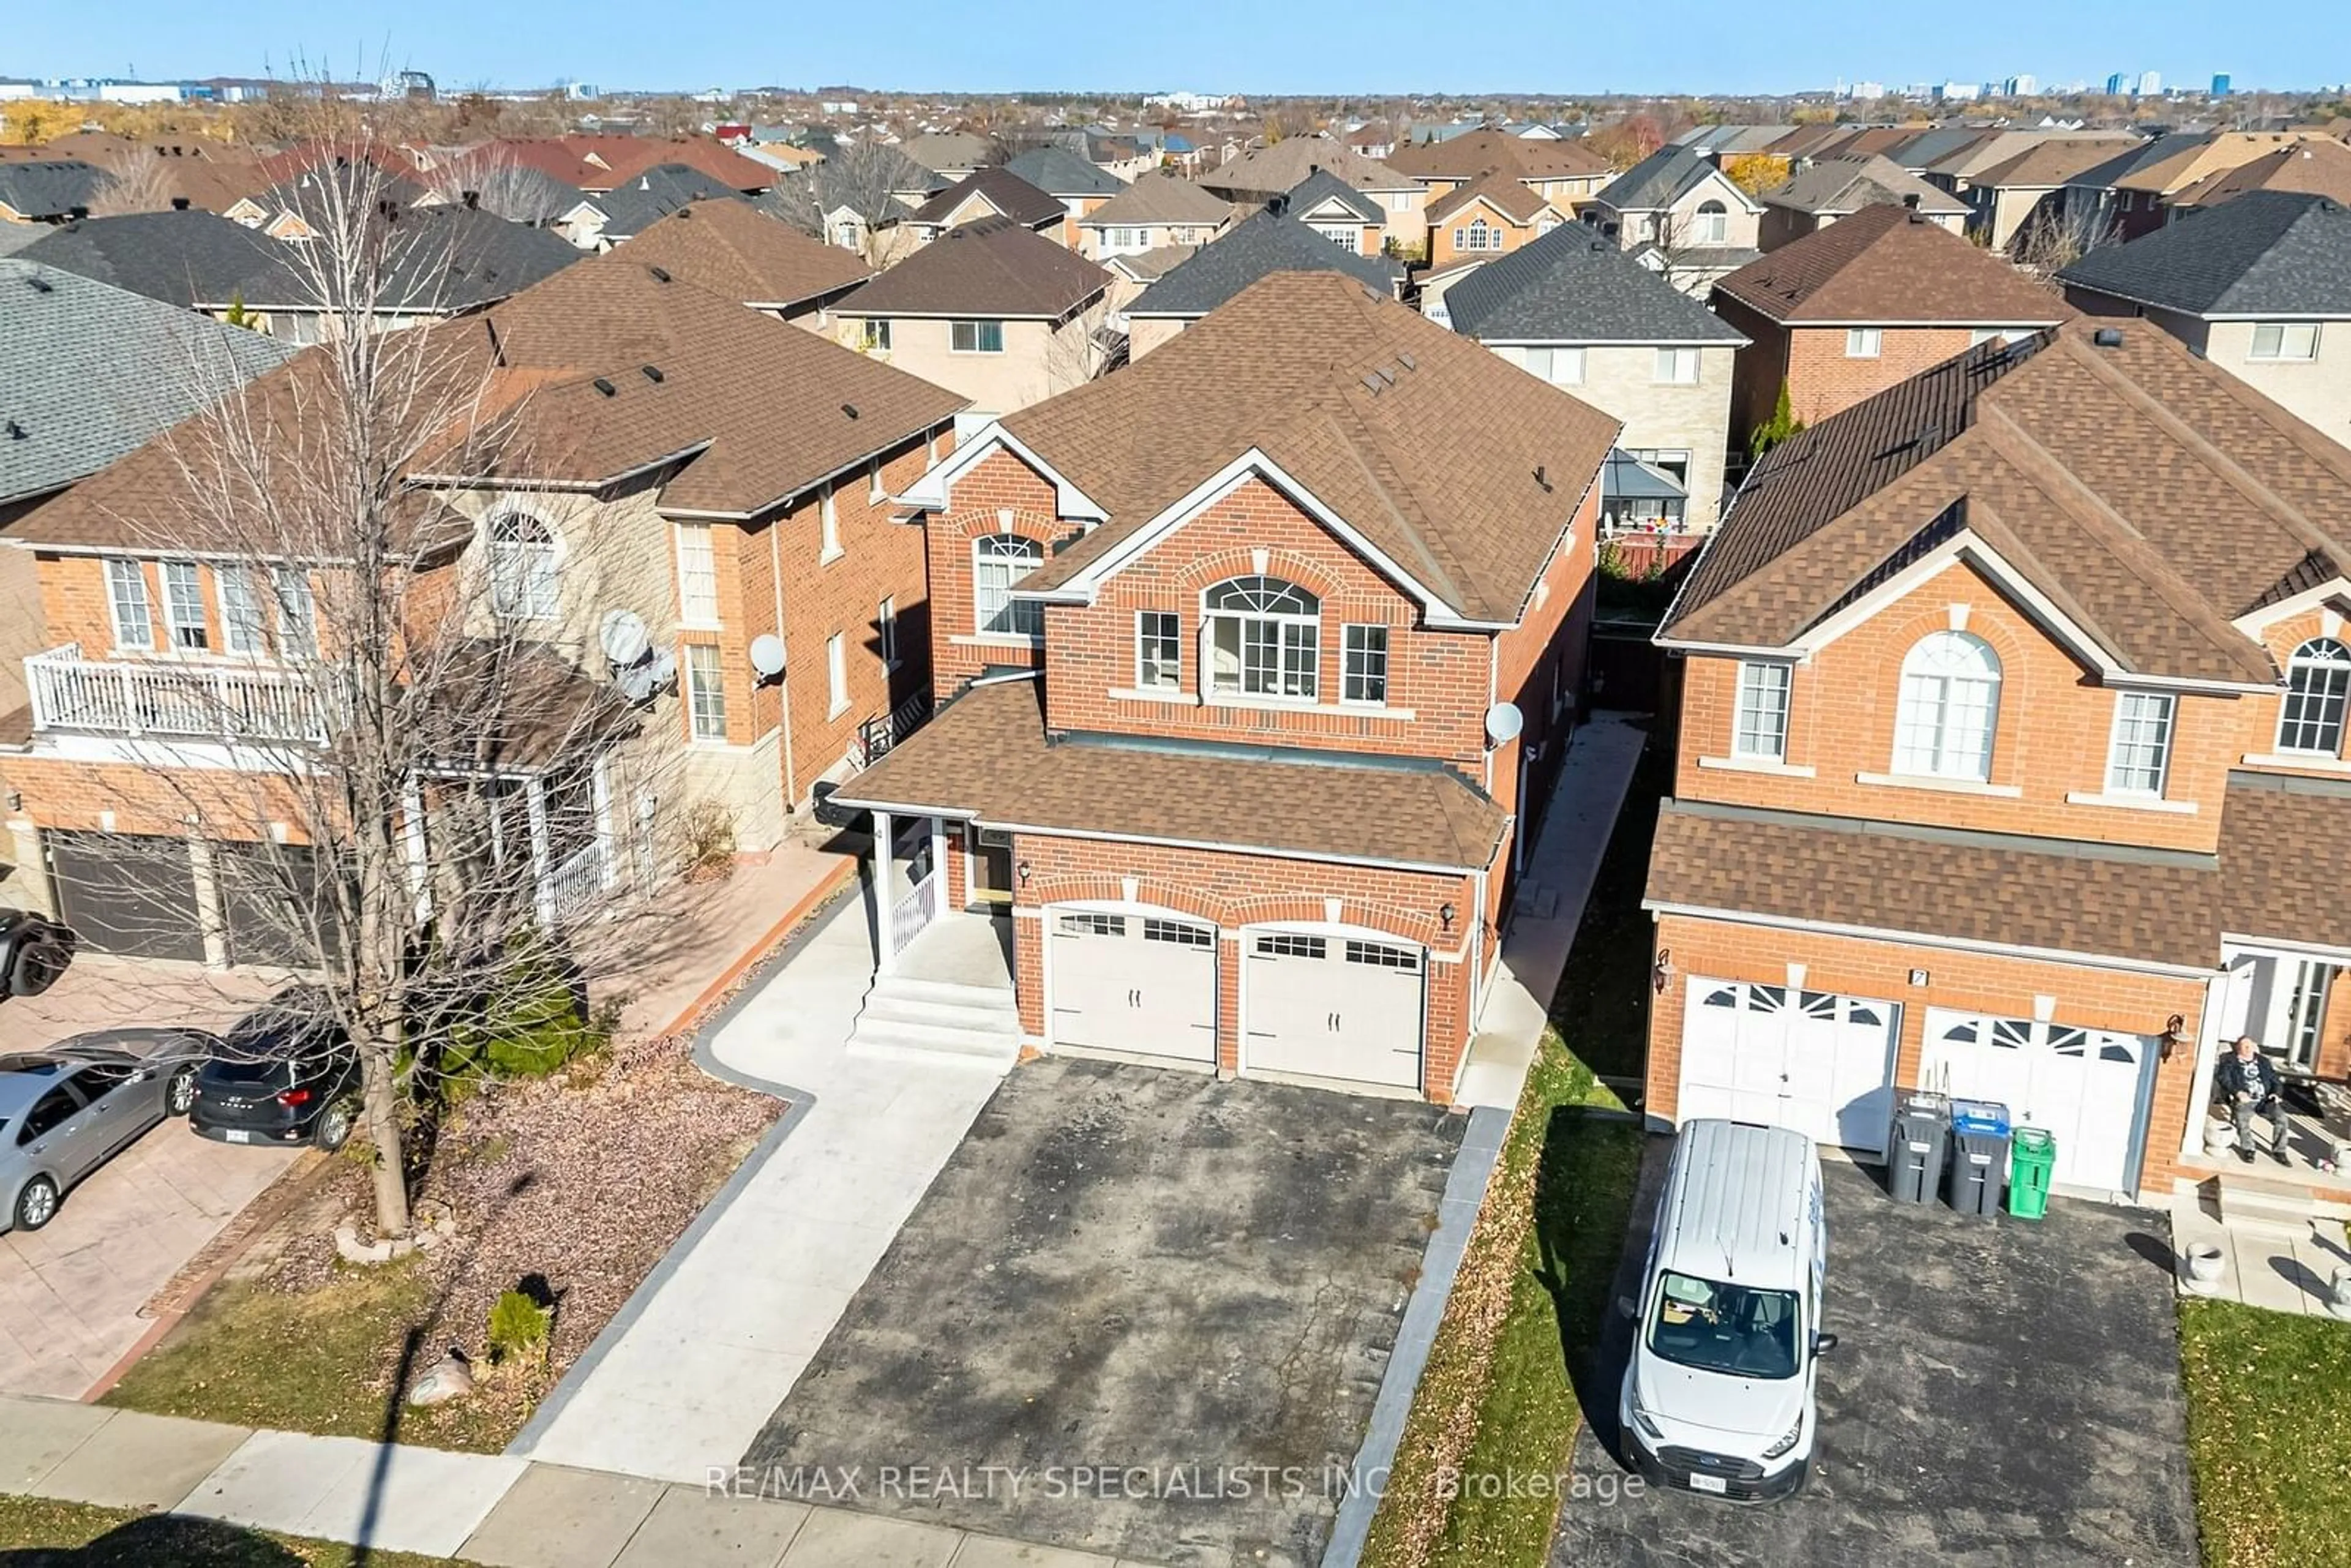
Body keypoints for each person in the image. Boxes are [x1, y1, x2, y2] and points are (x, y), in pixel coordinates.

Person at [2214, 1036, 2291, 1165]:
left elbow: (2275, 1080)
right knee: (2242, 1118)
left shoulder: (2263, 1061)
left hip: (2265, 1099)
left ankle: (2279, 1151)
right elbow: (2224, 1078)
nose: (2248, 1049)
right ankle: (2249, 1149)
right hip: (2246, 1099)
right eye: (2245, 1046)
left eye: (2250, 1046)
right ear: (2238, 1048)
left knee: (2282, 1119)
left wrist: (2276, 1094)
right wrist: (2238, 1092)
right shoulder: (2229, 1060)